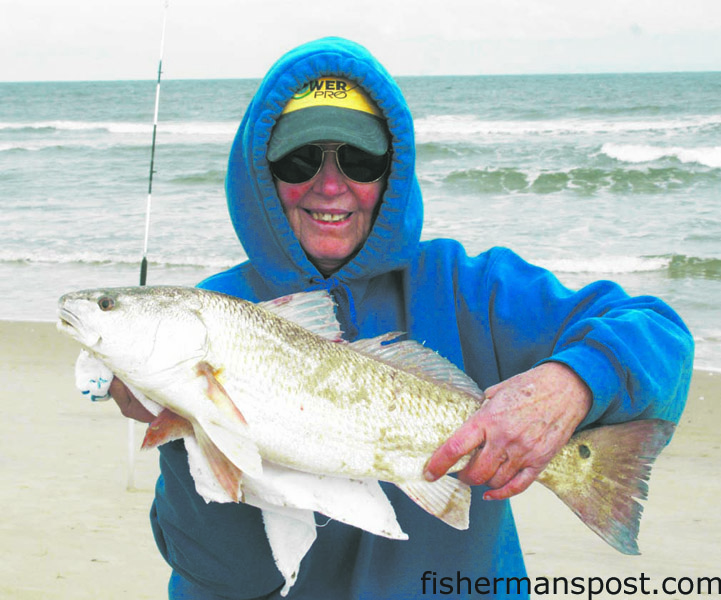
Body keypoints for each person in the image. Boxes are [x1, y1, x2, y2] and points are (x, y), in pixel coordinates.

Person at [94, 37, 694, 598]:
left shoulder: (468, 286)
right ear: (262, 170)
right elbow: (220, 579)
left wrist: (568, 386)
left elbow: (659, 332)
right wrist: (187, 432)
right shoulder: (217, 315)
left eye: (360, 157)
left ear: (393, 170)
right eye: (299, 159)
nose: (330, 184)